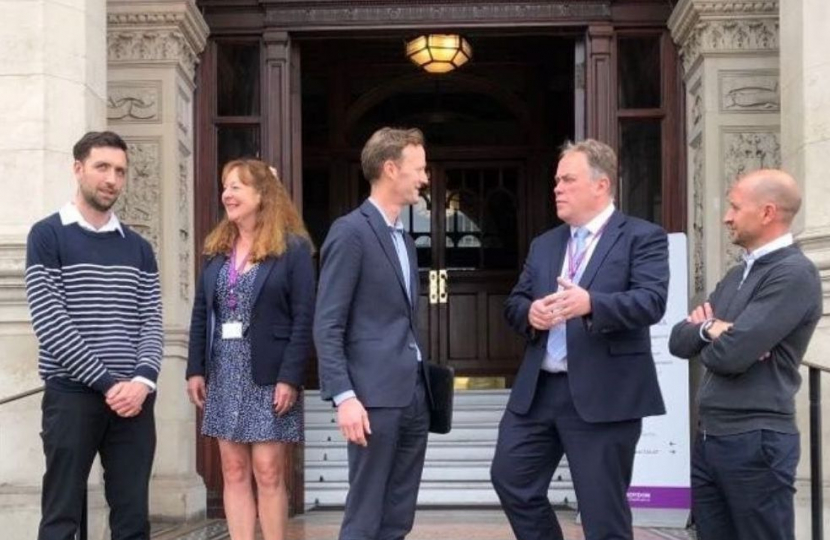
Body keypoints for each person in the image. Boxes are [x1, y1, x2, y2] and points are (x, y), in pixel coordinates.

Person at [491, 139, 669, 540]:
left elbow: (651, 301)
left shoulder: (643, 237)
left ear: (601, 185)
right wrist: (530, 313)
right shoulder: (545, 243)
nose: (557, 188)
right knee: (510, 478)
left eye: (567, 180)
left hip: (605, 394)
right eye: (556, 180)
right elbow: (515, 301)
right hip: (539, 391)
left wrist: (592, 303)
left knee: (602, 513)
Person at [24, 131, 163, 540]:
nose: (112, 179)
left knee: (133, 519)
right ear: (78, 168)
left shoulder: (139, 248)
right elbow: (50, 322)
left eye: (120, 171)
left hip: (134, 403)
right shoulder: (47, 235)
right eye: (102, 167)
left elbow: (151, 320)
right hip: (72, 394)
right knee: (61, 517)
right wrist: (107, 383)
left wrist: (140, 381)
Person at [668, 169, 821, 540]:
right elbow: (678, 341)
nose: (726, 216)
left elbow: (729, 356)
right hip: (711, 437)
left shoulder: (794, 274)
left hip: (756, 441)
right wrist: (710, 329)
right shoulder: (738, 274)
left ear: (767, 212)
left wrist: (723, 335)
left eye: (735, 207)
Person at [186, 160, 315, 540]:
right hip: (224, 370)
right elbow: (199, 313)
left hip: (270, 374)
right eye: (225, 186)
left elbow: (303, 318)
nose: (227, 194)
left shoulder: (292, 249)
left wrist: (290, 377)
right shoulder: (216, 250)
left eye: (237, 187)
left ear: (262, 196)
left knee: (268, 469)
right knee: (234, 470)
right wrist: (195, 369)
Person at [314, 127, 431, 540]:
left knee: (398, 515)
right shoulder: (350, 232)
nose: (425, 178)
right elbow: (327, 322)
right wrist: (344, 396)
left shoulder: (405, 240)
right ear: (390, 168)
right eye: (418, 169)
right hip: (371, 398)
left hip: (413, 393)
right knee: (365, 514)